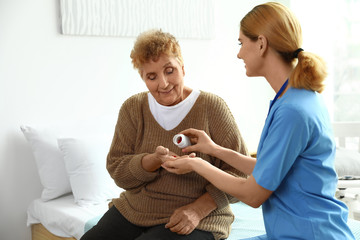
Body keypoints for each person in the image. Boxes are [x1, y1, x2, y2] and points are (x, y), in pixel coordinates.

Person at [162, 2, 355, 239]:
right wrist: (214, 150)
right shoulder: (293, 98)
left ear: (261, 43)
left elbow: (253, 195)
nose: (239, 53)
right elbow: (269, 171)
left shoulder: (293, 111)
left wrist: (197, 165)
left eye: (242, 43)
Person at [80, 29, 248, 240]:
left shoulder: (212, 107)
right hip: (136, 209)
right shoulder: (133, 108)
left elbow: (240, 174)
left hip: (199, 217)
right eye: (152, 76)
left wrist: (198, 210)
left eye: (170, 71)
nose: (164, 83)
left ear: (183, 68)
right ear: (143, 78)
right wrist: (151, 161)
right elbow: (118, 171)